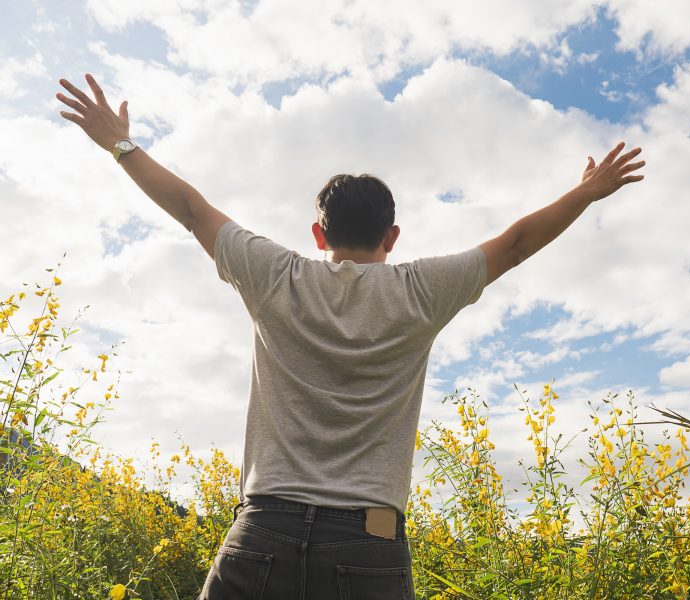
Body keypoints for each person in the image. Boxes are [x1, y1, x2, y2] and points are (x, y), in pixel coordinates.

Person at [57, 73, 645, 600]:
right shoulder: (422, 291)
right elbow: (515, 244)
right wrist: (585, 193)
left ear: (319, 233)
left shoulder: (275, 275)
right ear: (392, 236)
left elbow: (190, 208)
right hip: (369, 538)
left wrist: (120, 143)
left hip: (264, 526)